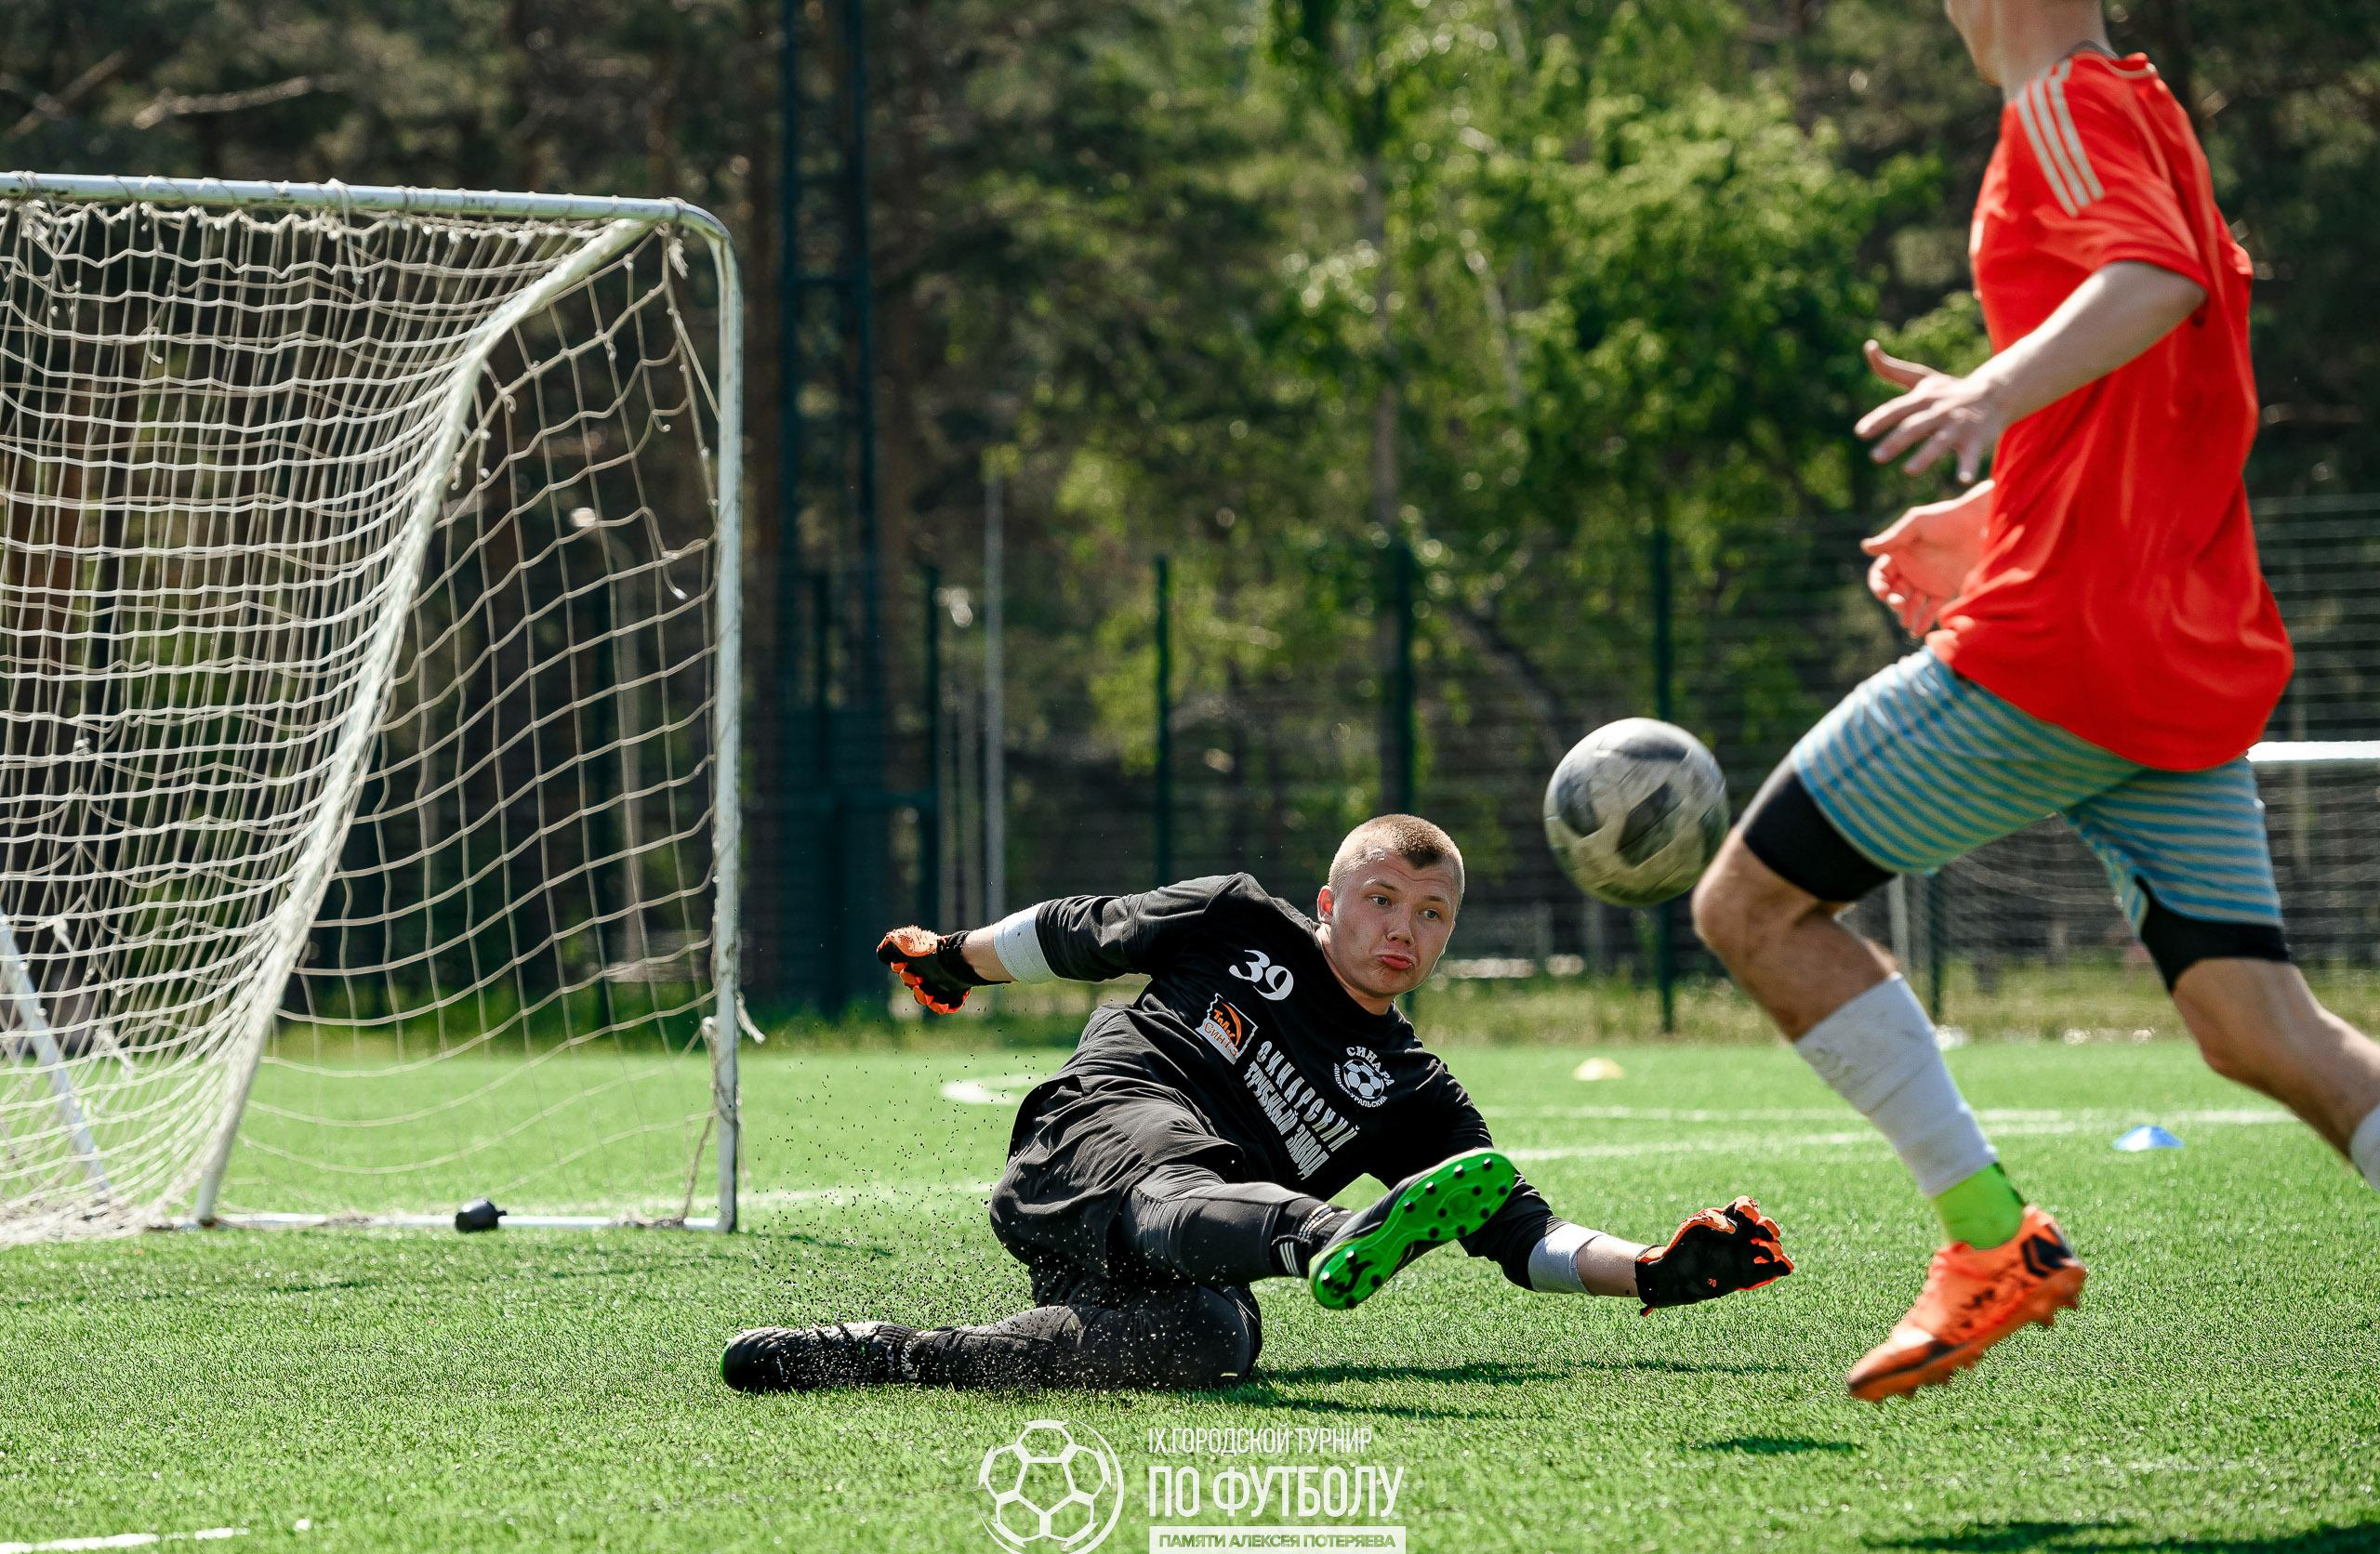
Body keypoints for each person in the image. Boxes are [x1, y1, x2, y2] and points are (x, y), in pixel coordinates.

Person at [1691, 0, 2380, 1402]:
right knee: (2264, 1031)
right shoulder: (2134, 105)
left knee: (1748, 906)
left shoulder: (2063, 102)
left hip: (2063, 656)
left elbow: (2160, 283)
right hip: (2171, 653)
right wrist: (1998, 509)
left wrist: (1986, 391)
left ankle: (1993, 1241)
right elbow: (2173, 395)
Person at [725, 814, 1791, 1392]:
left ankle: (884, 1352)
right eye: (1380, 900)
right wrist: (957, 957)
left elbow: (1520, 1227)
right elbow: (1084, 926)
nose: (1402, 931)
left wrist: (1646, 1269)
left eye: (1430, 914)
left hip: (1168, 1248)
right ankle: (1329, 1236)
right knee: (1187, 1162)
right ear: (1330, 904)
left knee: (1212, 1340)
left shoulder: (1411, 1084)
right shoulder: (1240, 918)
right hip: (1089, 1138)